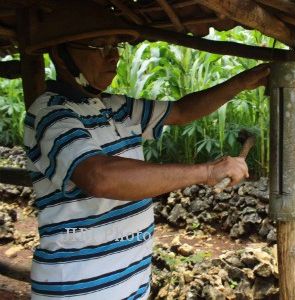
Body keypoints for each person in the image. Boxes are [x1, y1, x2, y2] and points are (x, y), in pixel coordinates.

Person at [23, 2, 270, 299]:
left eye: (114, 45)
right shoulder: (51, 114)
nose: (113, 55)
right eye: (98, 45)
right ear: (60, 54)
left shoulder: (117, 107)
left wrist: (241, 83)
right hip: (79, 289)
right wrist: (206, 171)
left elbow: (179, 110)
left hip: (129, 280)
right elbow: (99, 177)